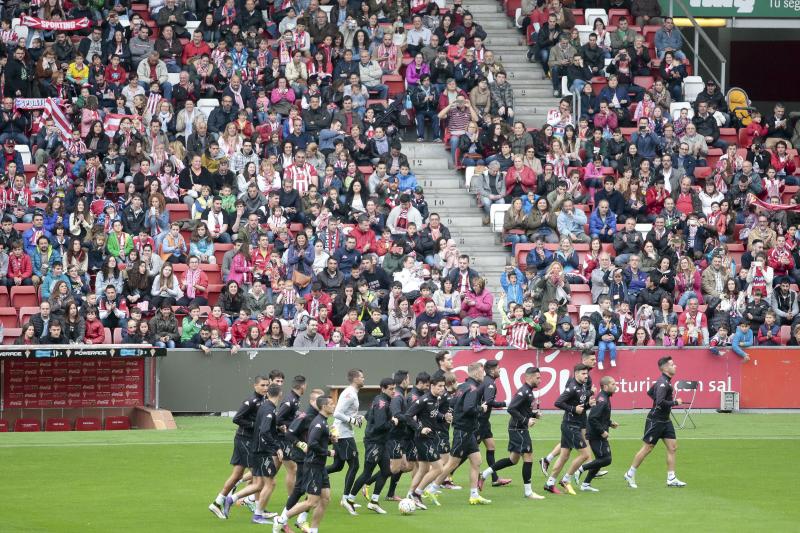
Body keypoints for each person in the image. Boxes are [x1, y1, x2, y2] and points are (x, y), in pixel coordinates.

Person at [271, 395, 337, 533]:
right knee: (311, 501)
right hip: (313, 465)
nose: (334, 405)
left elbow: (317, 441)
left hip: (319, 466)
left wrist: (331, 439)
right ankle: (281, 519)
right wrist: (328, 452)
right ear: (324, 406)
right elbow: (312, 444)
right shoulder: (319, 423)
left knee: (325, 498)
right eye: (331, 403)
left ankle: (313, 530)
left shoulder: (323, 422)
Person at [479, 366, 545, 500]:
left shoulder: (529, 391)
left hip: (518, 428)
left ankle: (484, 474)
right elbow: (512, 409)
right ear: (529, 377)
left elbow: (521, 409)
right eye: (538, 377)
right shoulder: (524, 391)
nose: (540, 380)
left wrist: (533, 414)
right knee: (528, 456)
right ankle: (528, 492)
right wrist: (526, 421)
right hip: (518, 429)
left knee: (513, 460)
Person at [209, 375, 269, 520]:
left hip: (247, 441)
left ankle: (217, 502)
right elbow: (237, 419)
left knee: (237, 475)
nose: (265, 388)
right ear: (255, 386)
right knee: (259, 477)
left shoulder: (263, 400)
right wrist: (255, 426)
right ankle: (256, 507)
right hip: (245, 441)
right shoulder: (251, 401)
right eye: (262, 385)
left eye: (267, 385)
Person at [624, 356, 687, 489]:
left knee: (672, 447)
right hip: (655, 420)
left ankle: (671, 478)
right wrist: (675, 402)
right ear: (664, 368)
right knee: (648, 448)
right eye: (672, 364)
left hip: (665, 420)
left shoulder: (665, 381)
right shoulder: (663, 383)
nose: (675, 366)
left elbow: (650, 392)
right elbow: (659, 401)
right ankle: (630, 473)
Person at [435, 362, 492, 505]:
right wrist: (481, 409)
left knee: (477, 461)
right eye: (482, 372)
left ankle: (474, 495)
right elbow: (468, 409)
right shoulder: (473, 389)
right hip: (463, 430)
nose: (484, 374)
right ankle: (429, 488)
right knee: (452, 463)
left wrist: (453, 415)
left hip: (467, 430)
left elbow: (453, 403)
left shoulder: (463, 386)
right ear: (476, 373)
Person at [231, 382, 283, 524]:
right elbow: (264, 431)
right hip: (262, 451)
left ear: (267, 393)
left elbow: (264, 429)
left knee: (259, 484)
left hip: (258, 449)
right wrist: (276, 447)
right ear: (280, 394)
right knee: (270, 483)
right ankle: (258, 516)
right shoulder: (269, 409)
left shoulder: (264, 406)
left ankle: (231, 499)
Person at [544, 363, 594, 495]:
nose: (586, 376)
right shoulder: (572, 387)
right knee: (585, 454)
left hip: (573, 425)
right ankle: (566, 479)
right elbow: (558, 402)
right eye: (583, 374)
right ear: (576, 374)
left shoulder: (582, 386)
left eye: (587, 374)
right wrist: (573, 409)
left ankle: (549, 483)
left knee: (564, 456)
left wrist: (589, 404)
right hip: (570, 426)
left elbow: (580, 407)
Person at [403, 374, 451, 508]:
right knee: (438, 468)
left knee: (423, 469)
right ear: (432, 386)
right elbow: (408, 416)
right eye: (440, 386)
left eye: (443, 386)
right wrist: (420, 428)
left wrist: (443, 417)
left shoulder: (437, 399)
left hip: (431, 437)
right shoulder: (423, 400)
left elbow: (433, 415)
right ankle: (417, 493)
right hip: (423, 439)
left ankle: (410, 493)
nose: (442, 388)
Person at [329, 369, 366, 515]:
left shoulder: (353, 393)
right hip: (343, 435)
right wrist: (352, 420)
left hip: (342, 432)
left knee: (338, 465)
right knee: (355, 464)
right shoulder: (349, 393)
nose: (364, 379)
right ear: (355, 379)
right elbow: (337, 413)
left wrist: (355, 420)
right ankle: (346, 499)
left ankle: (314, 472)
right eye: (362, 377)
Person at [574, 376, 618, 492]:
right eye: (613, 384)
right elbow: (593, 418)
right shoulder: (602, 400)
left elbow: (601, 417)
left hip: (597, 433)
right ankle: (581, 469)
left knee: (600, 459)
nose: (615, 386)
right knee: (606, 459)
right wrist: (603, 431)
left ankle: (586, 485)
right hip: (596, 435)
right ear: (605, 386)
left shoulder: (605, 397)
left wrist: (609, 423)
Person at [477, 360, 510, 488]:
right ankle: (448, 476)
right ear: (492, 370)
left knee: (491, 447)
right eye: (498, 368)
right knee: (468, 451)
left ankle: (495, 478)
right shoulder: (490, 383)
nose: (500, 370)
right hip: (479, 422)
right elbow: (489, 401)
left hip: (484, 422)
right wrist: (505, 404)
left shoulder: (486, 381)